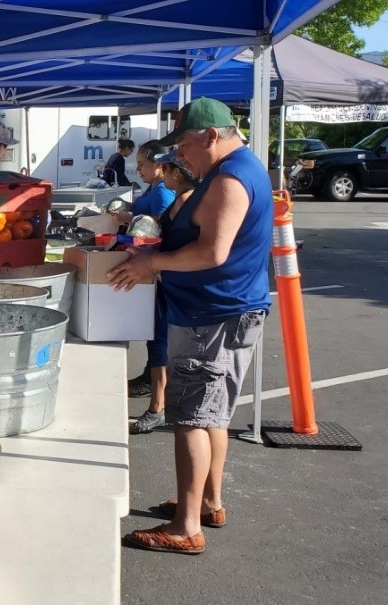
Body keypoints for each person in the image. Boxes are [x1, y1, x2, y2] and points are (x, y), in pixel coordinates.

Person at [110, 98, 272, 554]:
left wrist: (152, 262)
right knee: (212, 415)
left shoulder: (231, 178)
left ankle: (186, 527)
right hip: (222, 310)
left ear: (211, 136)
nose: (180, 154)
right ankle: (207, 502)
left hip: (212, 315)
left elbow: (212, 253)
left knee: (191, 420)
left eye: (184, 143)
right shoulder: (236, 169)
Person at [129, 148, 197, 435]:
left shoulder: (185, 201)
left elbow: (181, 245)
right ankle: (160, 403)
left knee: (161, 343)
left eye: (165, 168)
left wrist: (152, 253)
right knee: (156, 341)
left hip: (174, 284)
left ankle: (158, 408)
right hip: (167, 280)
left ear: (176, 174)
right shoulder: (182, 200)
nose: (160, 172)